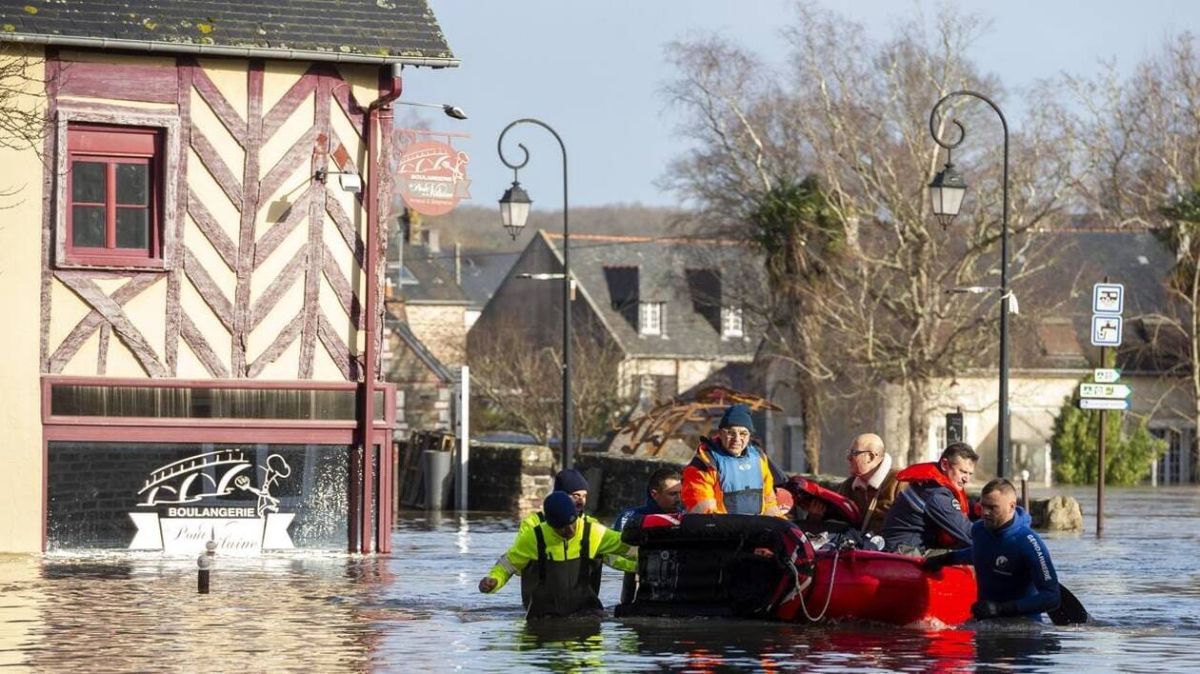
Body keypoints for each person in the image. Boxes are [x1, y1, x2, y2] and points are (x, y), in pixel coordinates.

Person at [478, 491, 637, 617]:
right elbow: (507, 565)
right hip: (542, 618)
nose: (569, 531)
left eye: (572, 523)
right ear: (549, 523)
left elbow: (628, 547)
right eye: (561, 527)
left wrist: (646, 556)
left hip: (588, 616)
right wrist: (493, 581)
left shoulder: (594, 532)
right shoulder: (533, 538)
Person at [926, 478, 1061, 621]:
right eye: (983, 506)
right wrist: (947, 559)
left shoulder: (1029, 542)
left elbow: (1052, 597)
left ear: (1011, 506)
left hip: (1023, 631)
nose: (985, 513)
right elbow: (983, 553)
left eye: (992, 507)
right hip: (986, 623)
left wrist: (1001, 609)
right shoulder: (979, 530)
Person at [520, 469, 637, 577]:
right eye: (576, 496)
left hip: (583, 596)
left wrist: (639, 566)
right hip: (541, 595)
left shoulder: (591, 526)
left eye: (584, 496)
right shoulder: (532, 524)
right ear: (560, 496)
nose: (581, 501)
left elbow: (611, 557)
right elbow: (519, 563)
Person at [681, 404, 781, 516]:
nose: (737, 439)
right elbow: (703, 511)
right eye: (730, 433)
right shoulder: (705, 463)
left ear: (749, 436)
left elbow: (769, 502)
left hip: (756, 529)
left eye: (743, 433)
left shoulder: (758, 458)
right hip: (720, 530)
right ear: (720, 433)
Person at [881, 442, 978, 554]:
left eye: (970, 474)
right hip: (906, 554)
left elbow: (952, 509)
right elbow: (967, 533)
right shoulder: (936, 494)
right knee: (966, 559)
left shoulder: (931, 484)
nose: (966, 479)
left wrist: (976, 508)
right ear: (944, 465)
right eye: (963, 472)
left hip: (902, 546)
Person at [834, 433, 901, 534]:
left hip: (889, 548)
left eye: (854, 453)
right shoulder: (848, 486)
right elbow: (836, 519)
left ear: (870, 457)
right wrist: (817, 515)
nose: (848, 458)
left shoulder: (899, 482)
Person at [612, 468, 683, 532]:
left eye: (681, 493)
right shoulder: (630, 517)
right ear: (654, 494)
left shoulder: (684, 517)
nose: (679, 499)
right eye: (673, 494)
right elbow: (621, 544)